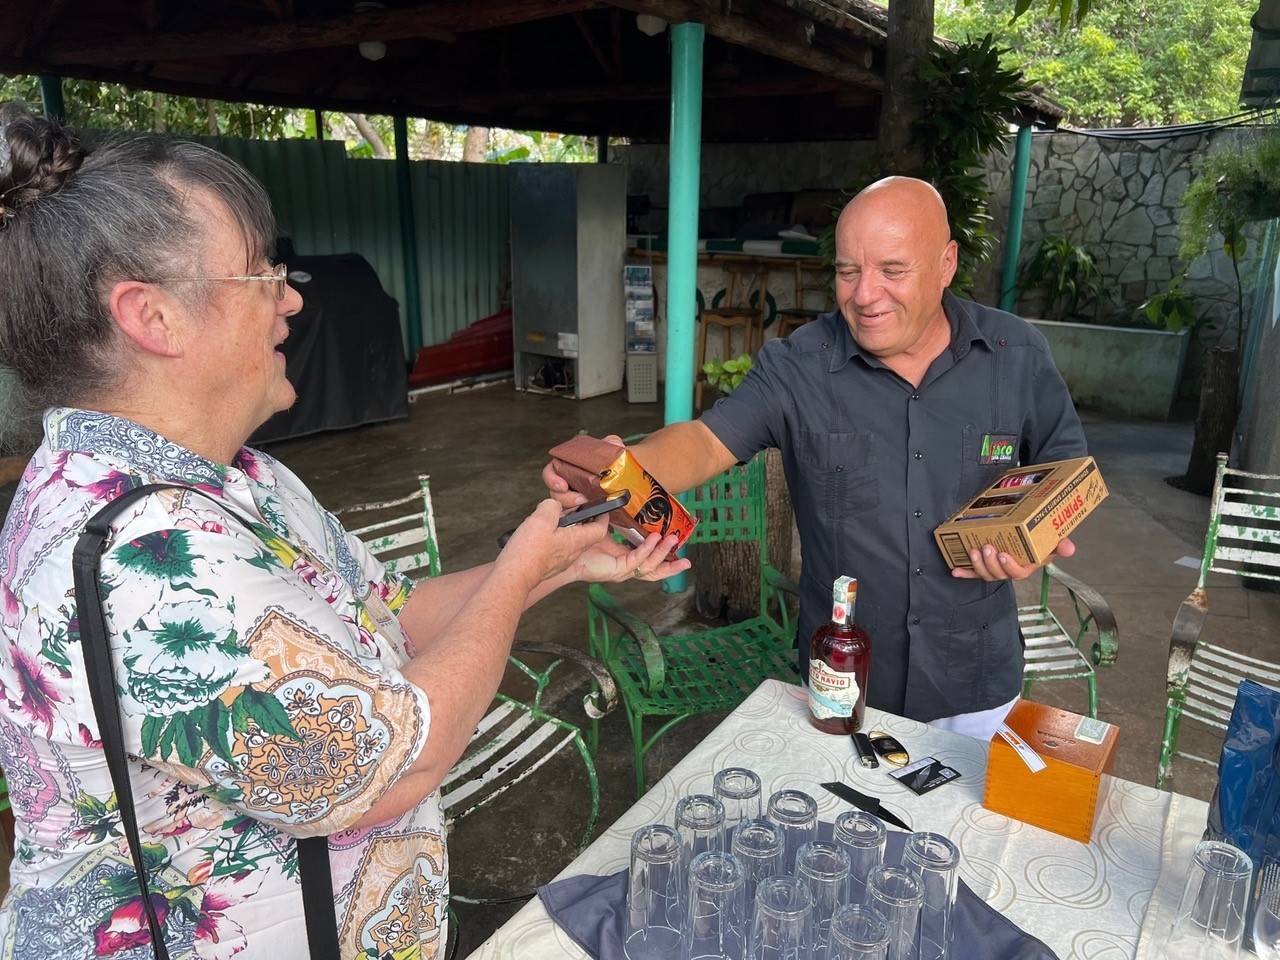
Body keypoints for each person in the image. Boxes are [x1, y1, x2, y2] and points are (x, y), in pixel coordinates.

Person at [0, 103, 687, 959]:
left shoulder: (236, 477)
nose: (291, 297)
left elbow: (389, 617)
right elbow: (392, 768)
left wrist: (561, 560)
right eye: (261, 275)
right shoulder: (142, 563)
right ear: (153, 318)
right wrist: (518, 574)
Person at [545, 177, 1087, 741]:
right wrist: (623, 467)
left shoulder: (1015, 355)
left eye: (892, 270)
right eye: (848, 271)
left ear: (946, 263)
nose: (864, 294)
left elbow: (1063, 470)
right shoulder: (798, 365)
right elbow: (707, 441)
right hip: (842, 675)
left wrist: (1035, 540)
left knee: (968, 825)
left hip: (975, 673)